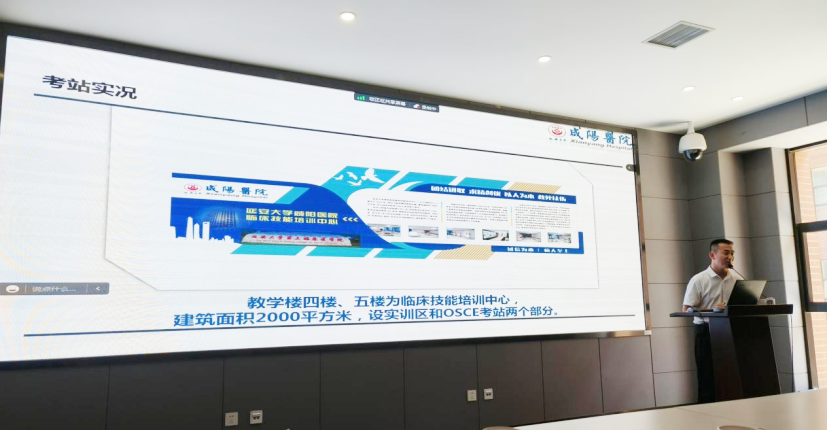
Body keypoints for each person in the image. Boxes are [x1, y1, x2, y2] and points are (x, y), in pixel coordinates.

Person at [682, 238, 743, 404]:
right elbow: (686, 309)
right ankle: (705, 410)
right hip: (706, 332)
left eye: (732, 253)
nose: (730, 257)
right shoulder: (699, 279)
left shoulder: (737, 278)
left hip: (731, 331)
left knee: (731, 375)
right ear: (712, 255)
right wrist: (712, 310)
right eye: (726, 252)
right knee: (707, 375)